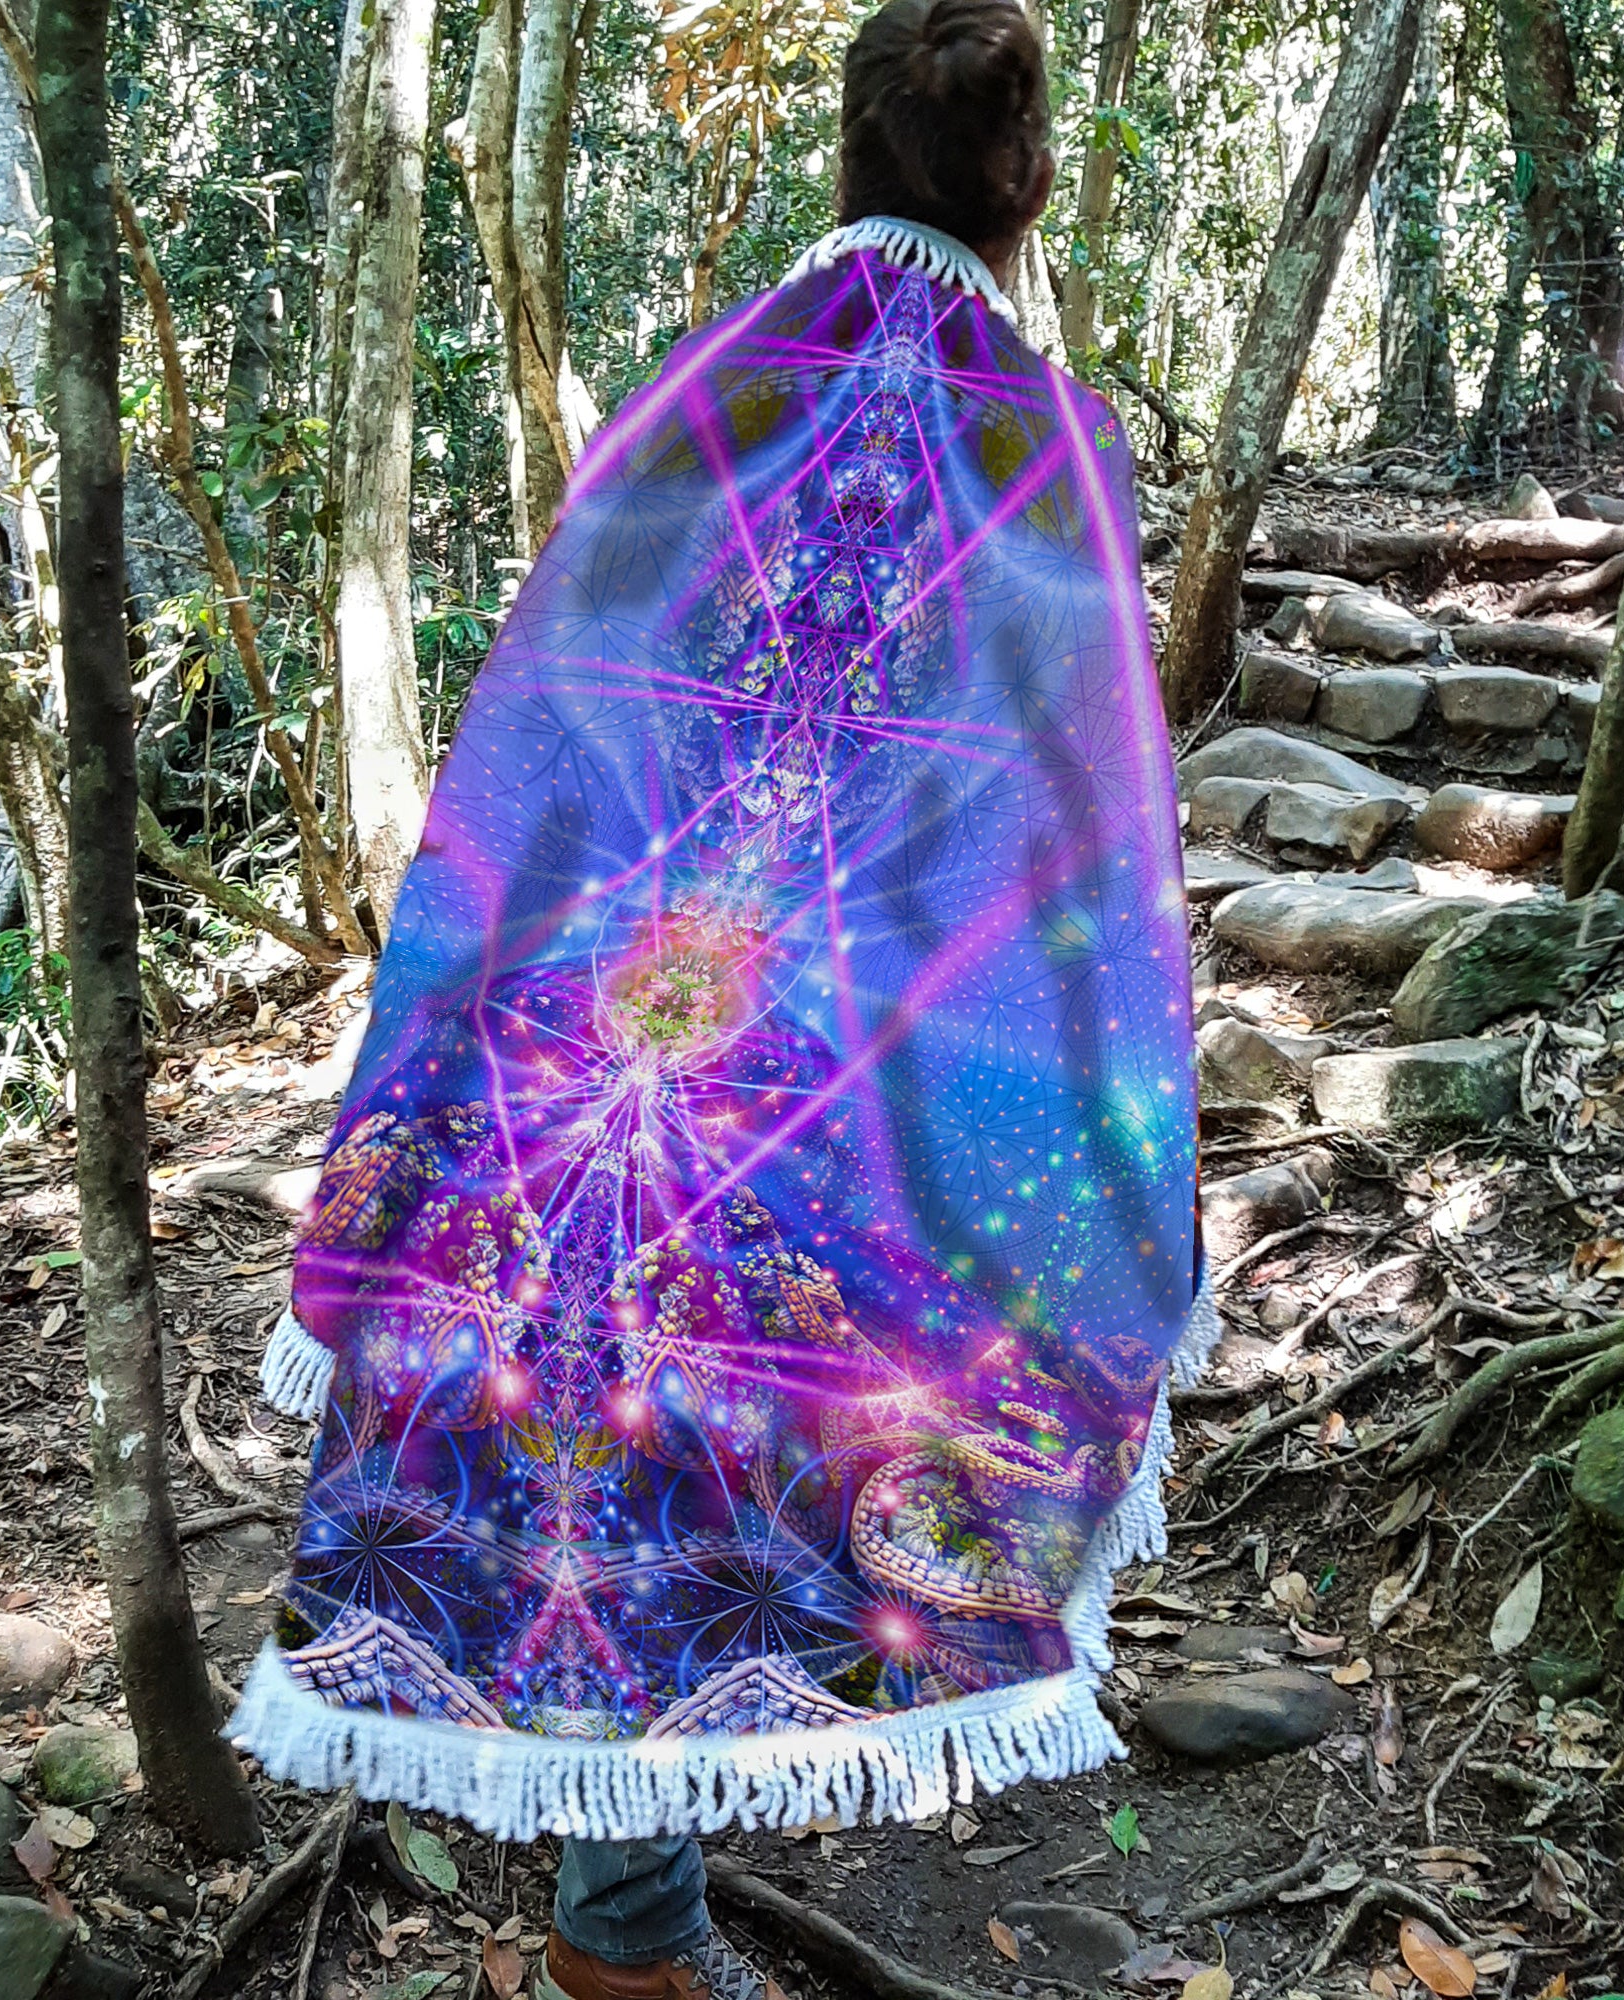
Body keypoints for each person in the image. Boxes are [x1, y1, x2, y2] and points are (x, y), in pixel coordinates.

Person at [234, 5, 1210, 1999]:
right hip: (851, 1057)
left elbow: (561, 709)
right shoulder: (1047, 438)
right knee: (740, 1413)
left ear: (846, 151)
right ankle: (627, 1934)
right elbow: (1072, 836)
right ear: (1029, 179)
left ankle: (625, 1919)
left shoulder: (701, 387)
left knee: (613, 1402)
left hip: (595, 1007)